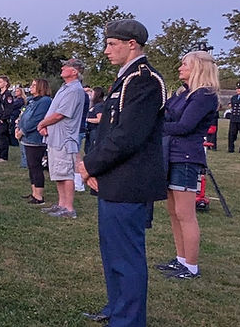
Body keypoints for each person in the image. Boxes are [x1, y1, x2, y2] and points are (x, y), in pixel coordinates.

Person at [77, 19, 167, 326]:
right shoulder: (126, 78)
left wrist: (89, 165)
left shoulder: (144, 80)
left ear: (133, 45)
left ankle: (128, 320)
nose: (106, 51)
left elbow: (128, 136)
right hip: (113, 180)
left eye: (112, 44)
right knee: (112, 254)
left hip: (129, 181)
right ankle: (117, 309)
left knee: (127, 258)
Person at [155, 50, 219, 280]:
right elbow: (163, 113)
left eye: (185, 64)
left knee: (185, 213)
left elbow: (185, 126)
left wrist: (154, 128)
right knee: (173, 211)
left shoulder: (204, 96)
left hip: (186, 157)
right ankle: (181, 259)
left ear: (199, 67)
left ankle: (191, 265)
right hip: (171, 153)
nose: (180, 68)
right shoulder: (184, 93)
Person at [36, 59, 88, 219]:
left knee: (66, 173)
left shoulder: (75, 90)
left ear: (74, 71)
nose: (62, 67)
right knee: (58, 173)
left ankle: (69, 208)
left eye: (66, 66)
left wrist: (42, 123)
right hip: (55, 137)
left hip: (64, 138)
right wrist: (45, 125)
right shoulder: (65, 88)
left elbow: (61, 114)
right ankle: (61, 204)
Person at [17, 79, 53, 203]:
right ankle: (34, 192)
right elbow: (24, 115)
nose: (31, 87)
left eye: (33, 85)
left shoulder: (45, 101)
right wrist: (19, 127)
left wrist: (23, 131)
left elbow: (36, 119)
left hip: (36, 138)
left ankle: (39, 196)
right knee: (31, 166)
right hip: (27, 138)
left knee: (36, 166)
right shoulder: (32, 101)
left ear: (41, 87)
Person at [0, 76, 21, 162]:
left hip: (3, 119)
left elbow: (9, 108)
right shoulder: (0, 94)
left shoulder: (8, 95)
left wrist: (3, 118)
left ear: (5, 83)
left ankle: (4, 156)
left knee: (3, 137)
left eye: (0, 82)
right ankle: (0, 155)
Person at [84, 87, 106, 153]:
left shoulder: (99, 106)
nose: (91, 95)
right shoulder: (95, 105)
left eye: (92, 93)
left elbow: (99, 119)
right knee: (87, 149)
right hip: (90, 131)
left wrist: (87, 120)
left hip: (95, 130)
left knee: (91, 150)